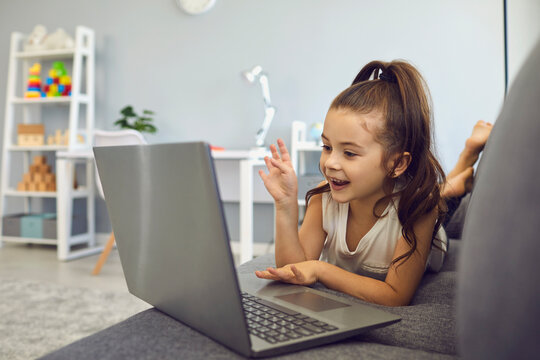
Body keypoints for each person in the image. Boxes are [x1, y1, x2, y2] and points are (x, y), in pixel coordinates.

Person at [255, 60, 492, 306]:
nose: (330, 163)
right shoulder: (322, 199)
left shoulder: (419, 209)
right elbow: (294, 270)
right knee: (439, 192)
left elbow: (395, 295)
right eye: (327, 147)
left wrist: (321, 270)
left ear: (396, 164)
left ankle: (464, 163)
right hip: (400, 192)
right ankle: (457, 176)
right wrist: (284, 206)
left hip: (428, 225)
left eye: (349, 153)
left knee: (439, 199)